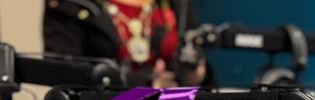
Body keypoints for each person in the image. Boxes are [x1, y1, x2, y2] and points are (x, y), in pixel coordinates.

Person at [42, 0, 207, 89]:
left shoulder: (176, 4)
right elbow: (61, 74)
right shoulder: (70, 4)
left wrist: (195, 73)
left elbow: (194, 53)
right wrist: (144, 83)